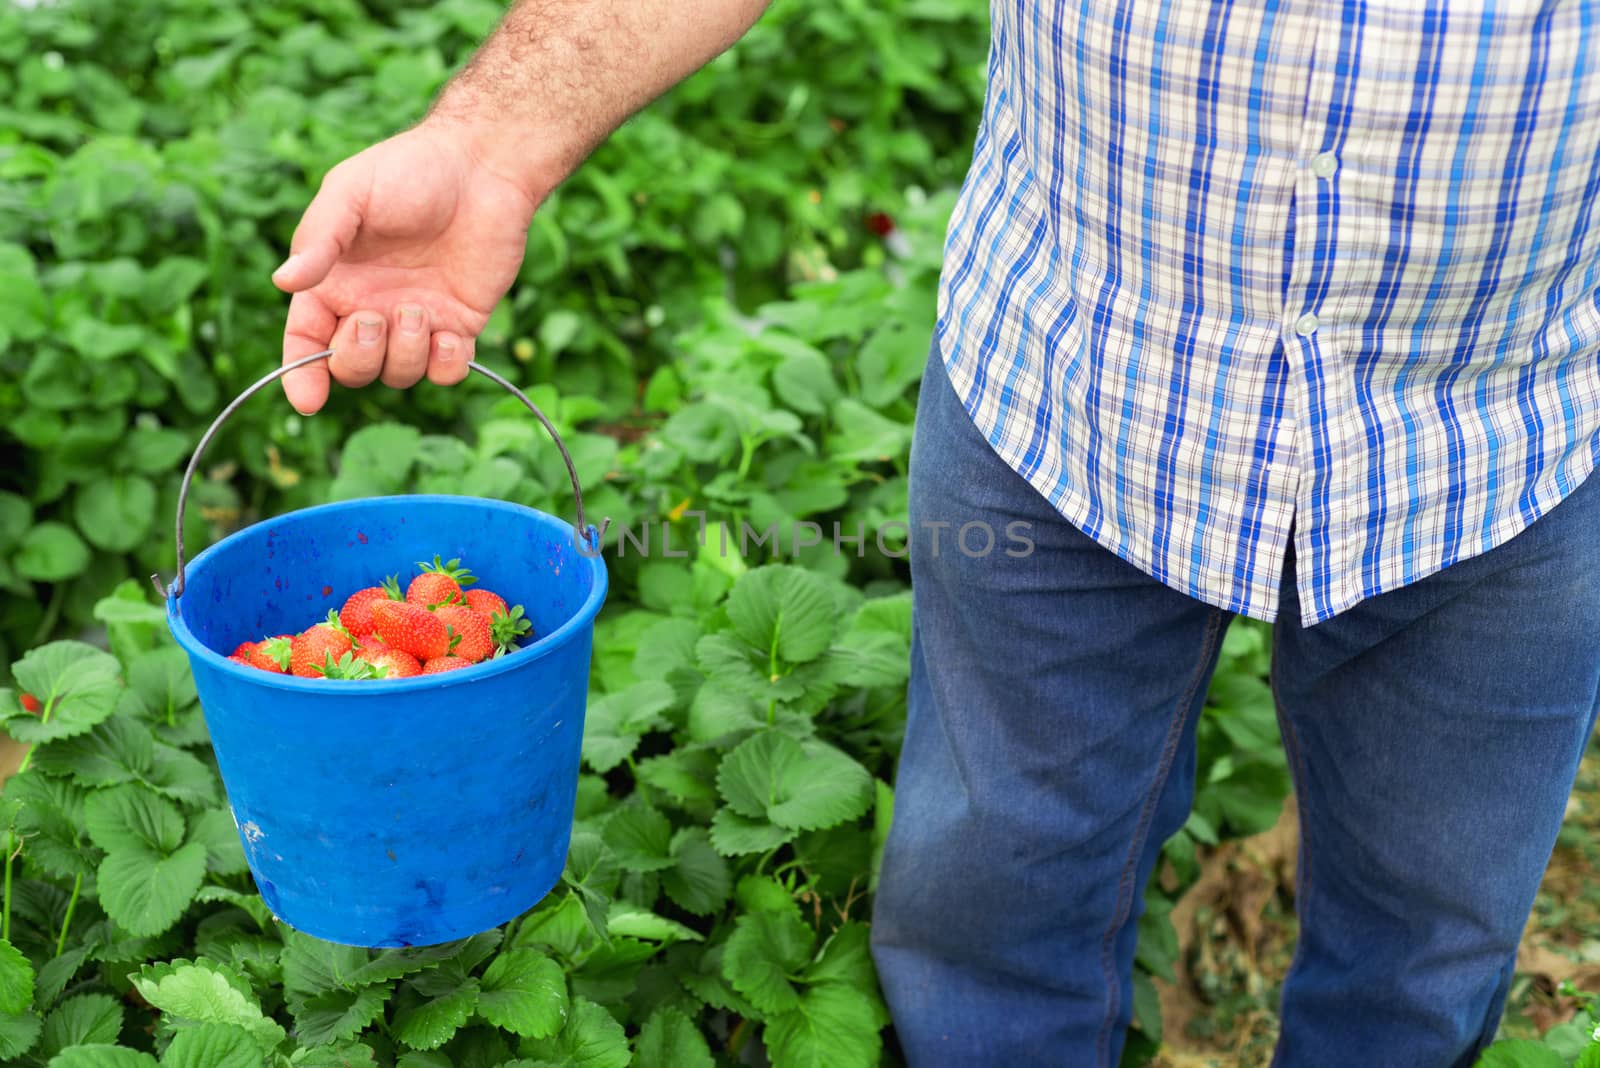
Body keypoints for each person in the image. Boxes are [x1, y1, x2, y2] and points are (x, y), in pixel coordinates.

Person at [275, 2, 1600, 1065]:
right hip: (1073, 381)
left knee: (1429, 951)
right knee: (991, 919)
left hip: (1506, 426)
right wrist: (496, 140)